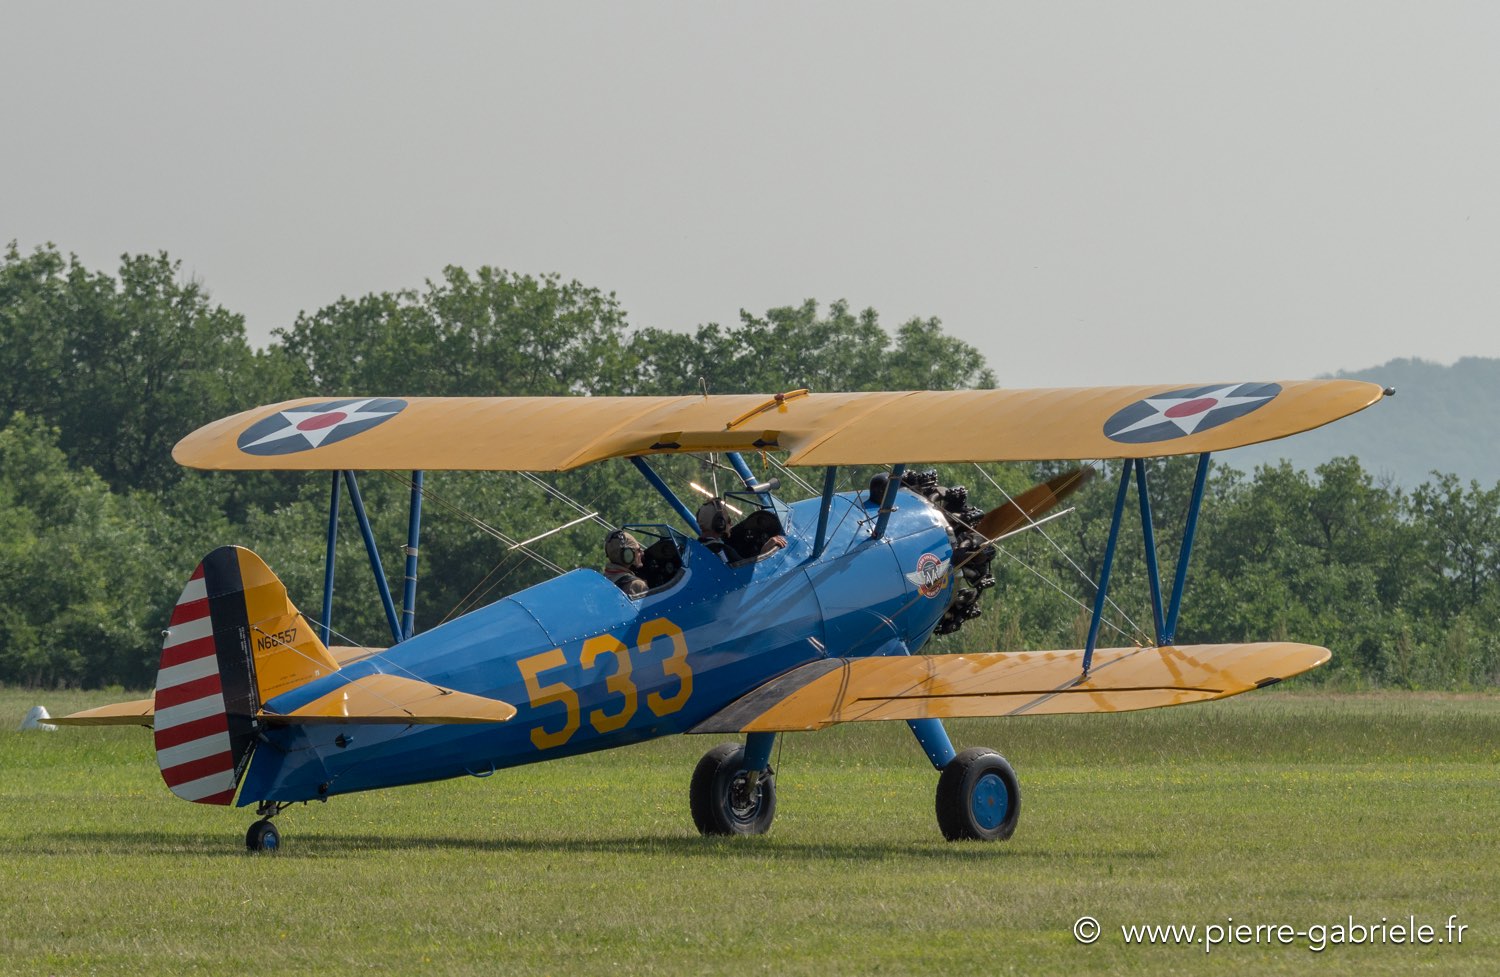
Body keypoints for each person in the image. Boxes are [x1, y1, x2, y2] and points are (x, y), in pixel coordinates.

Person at [696, 497, 786, 564]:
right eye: (728, 520)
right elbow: (745, 572)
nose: (731, 525)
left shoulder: (699, 547)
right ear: (720, 524)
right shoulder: (722, 550)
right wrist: (764, 551)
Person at [603, 529, 649, 596]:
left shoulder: (603, 578)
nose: (642, 553)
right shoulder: (637, 585)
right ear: (628, 555)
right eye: (638, 550)